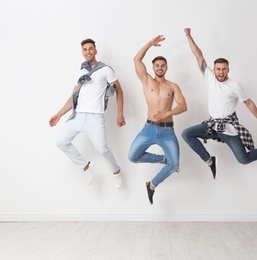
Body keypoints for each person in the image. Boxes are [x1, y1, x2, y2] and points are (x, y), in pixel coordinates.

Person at [181, 28, 257, 180]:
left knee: (244, 159)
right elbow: (198, 56)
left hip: (228, 128)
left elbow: (249, 103)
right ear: (214, 70)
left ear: (228, 69)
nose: (221, 72)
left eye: (224, 69)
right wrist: (189, 36)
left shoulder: (235, 85)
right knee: (186, 134)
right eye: (218, 69)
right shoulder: (209, 77)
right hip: (212, 125)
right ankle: (209, 161)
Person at [49, 38, 125, 189]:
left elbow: (119, 91)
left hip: (95, 117)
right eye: (85, 49)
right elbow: (73, 97)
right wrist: (59, 114)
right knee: (61, 142)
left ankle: (116, 171)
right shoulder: (80, 71)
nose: (88, 51)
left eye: (91, 48)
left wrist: (120, 113)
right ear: (82, 52)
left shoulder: (105, 70)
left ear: (95, 51)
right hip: (78, 116)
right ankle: (86, 167)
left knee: (102, 149)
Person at [128, 35, 187, 204]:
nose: (160, 67)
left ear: (166, 67)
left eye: (162, 65)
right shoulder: (146, 81)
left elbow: (183, 106)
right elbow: (136, 59)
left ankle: (152, 184)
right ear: (153, 67)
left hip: (167, 131)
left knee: (175, 166)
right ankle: (163, 159)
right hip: (149, 129)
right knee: (133, 157)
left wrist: (167, 113)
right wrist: (149, 44)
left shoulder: (173, 86)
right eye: (157, 65)